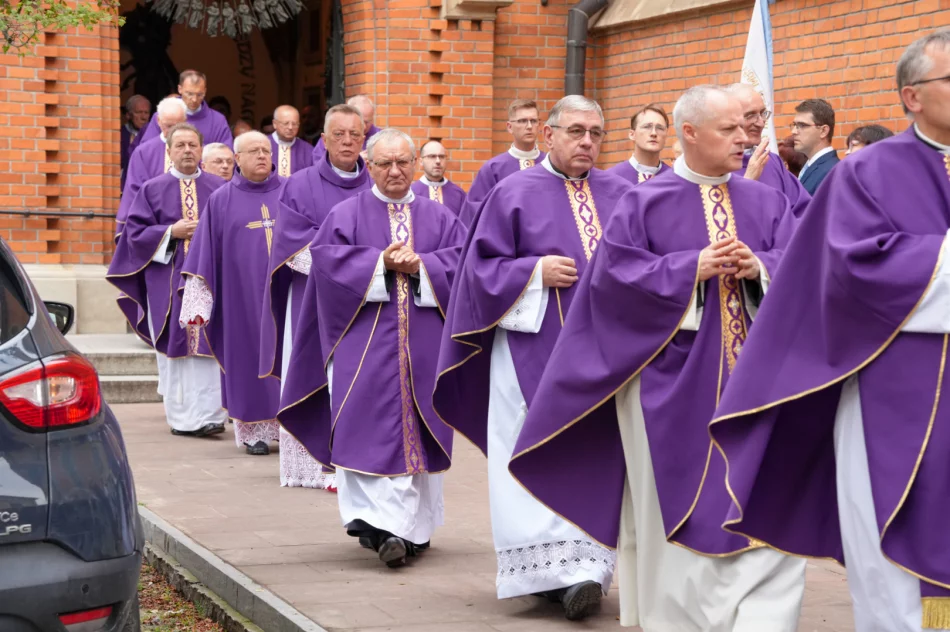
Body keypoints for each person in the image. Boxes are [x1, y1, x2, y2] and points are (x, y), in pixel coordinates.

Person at [507, 86, 804, 631]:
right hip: (669, 383)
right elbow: (612, 283)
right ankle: (679, 618)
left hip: (758, 383)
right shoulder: (642, 201)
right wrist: (688, 269)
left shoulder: (767, 201)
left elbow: (803, 269)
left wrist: (760, 267)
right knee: (676, 502)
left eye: (747, 128)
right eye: (730, 129)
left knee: (766, 499)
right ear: (689, 133)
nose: (745, 139)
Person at [709, 30, 950, 632]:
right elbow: (852, 270)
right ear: (911, 96)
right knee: (900, 554)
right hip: (899, 395)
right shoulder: (868, 172)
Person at [433, 96, 632, 620]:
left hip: (604, 357)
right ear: (548, 135)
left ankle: (587, 572)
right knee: (529, 447)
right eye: (575, 131)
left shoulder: (623, 191)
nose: (587, 141)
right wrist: (532, 273)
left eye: (595, 132)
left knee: (596, 451)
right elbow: (475, 272)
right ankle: (544, 574)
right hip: (530, 349)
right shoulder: (512, 192)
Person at [278, 129, 466, 568]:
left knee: (420, 430)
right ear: (370, 166)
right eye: (385, 164)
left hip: (423, 346)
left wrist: (423, 265)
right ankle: (380, 527)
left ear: (416, 163)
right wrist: (378, 263)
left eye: (403, 162)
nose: (395, 171)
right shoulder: (346, 213)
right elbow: (325, 265)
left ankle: (411, 531)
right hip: (361, 344)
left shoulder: (440, 219)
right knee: (365, 428)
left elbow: (462, 264)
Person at [260, 103, 371, 491]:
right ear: (323, 140)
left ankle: (355, 460)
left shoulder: (376, 184)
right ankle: (308, 465)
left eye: (354, 135)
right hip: (313, 300)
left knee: (360, 378)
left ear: (364, 139)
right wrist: (346, 266)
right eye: (338, 134)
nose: (346, 141)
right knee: (312, 372)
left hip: (366, 302)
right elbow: (291, 243)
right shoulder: (300, 183)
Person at [107, 123, 228, 437]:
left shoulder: (220, 188)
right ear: (169, 151)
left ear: (201, 150)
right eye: (181, 146)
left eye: (192, 145)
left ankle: (211, 415)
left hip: (210, 281)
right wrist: (169, 233)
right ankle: (182, 419)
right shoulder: (152, 188)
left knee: (209, 346)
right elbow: (133, 235)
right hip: (167, 280)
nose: (187, 151)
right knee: (176, 346)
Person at [180, 131, 282, 456]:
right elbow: (204, 251)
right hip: (241, 298)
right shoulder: (222, 199)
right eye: (254, 151)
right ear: (238, 159)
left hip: (285, 295)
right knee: (247, 357)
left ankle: (292, 427)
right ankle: (254, 432)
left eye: (266, 150)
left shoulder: (291, 192)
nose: (263, 156)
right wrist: (199, 300)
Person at [458, 99, 546, 227]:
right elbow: (475, 214)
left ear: (540, 125)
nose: (529, 126)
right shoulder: (493, 168)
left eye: (533, 121)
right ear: (510, 127)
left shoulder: (550, 164)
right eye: (522, 121)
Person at [728, 84, 811, 218]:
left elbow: (805, 211)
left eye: (762, 113)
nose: (761, 123)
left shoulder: (772, 161)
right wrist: (748, 182)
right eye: (750, 115)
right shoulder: (713, 168)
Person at [117, 97, 187, 240]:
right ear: (159, 122)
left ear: (185, 121)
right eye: (169, 126)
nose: (173, 131)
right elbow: (134, 191)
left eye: (178, 125)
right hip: (155, 225)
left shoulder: (195, 148)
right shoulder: (143, 152)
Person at [134, 70, 233, 151]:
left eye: (199, 94)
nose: (194, 99)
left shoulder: (218, 121)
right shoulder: (163, 115)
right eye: (189, 94)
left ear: (205, 91)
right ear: (180, 89)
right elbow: (146, 151)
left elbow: (227, 154)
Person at [608, 104, 672, 185]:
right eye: (647, 127)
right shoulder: (612, 177)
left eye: (660, 128)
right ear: (632, 134)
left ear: (666, 135)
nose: (654, 133)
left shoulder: (674, 179)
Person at [792, 98, 840, 194]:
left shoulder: (832, 172)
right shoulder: (810, 166)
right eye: (794, 125)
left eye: (802, 125)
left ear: (823, 131)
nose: (793, 131)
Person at [312, 95, 380, 158]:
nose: (364, 127)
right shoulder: (332, 135)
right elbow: (319, 161)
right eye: (361, 122)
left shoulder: (380, 136)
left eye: (367, 122)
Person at [410, 140, 466, 215]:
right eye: (432, 156)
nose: (438, 161)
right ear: (421, 161)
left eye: (442, 156)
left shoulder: (458, 194)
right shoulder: (411, 193)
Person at [269, 105, 313, 176]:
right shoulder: (261, 145)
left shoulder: (308, 150)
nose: (290, 127)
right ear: (274, 124)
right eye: (286, 123)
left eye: (294, 124)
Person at [121, 95, 151, 187]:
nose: (143, 117)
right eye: (139, 112)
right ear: (128, 115)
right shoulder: (119, 135)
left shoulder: (154, 135)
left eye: (146, 113)